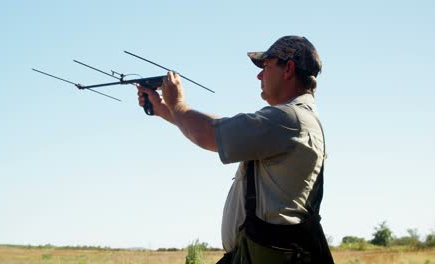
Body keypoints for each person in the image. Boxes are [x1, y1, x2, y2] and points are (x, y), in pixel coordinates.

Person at [137, 35, 334, 263]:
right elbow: (221, 127)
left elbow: (208, 133)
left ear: (288, 68)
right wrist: (164, 109)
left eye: (266, 66)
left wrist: (177, 104)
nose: (259, 75)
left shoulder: (289, 118)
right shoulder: (293, 120)